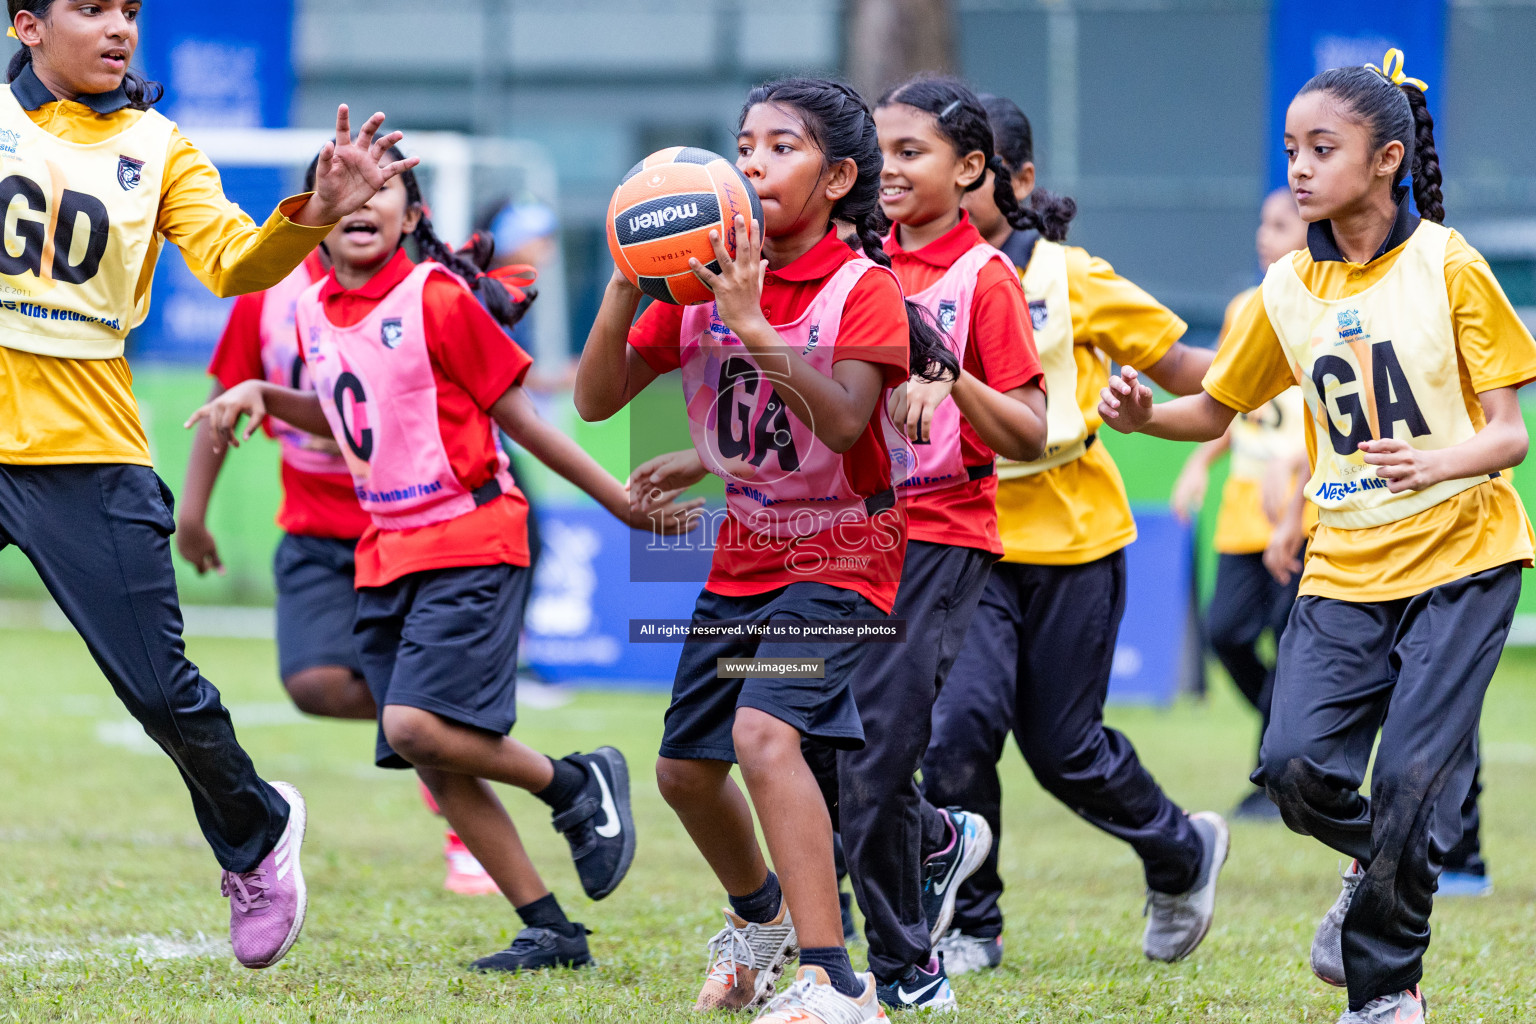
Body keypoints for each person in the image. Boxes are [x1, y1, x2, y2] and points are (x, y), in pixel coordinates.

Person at [1096, 50, 1536, 1024]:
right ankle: (1373, 862)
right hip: (1345, 564)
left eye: (1320, 148)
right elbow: (1213, 409)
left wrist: (1441, 460)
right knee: (1295, 768)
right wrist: (1139, 419)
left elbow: (1509, 432)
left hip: (1465, 554)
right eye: (1290, 148)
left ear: (1384, 160)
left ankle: (1384, 994)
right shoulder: (1285, 292)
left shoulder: (1448, 263)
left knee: (1418, 779)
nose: (1297, 166)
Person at [188, 149, 698, 973]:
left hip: (471, 538)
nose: (360, 198)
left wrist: (620, 503)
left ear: (412, 218)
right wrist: (264, 396)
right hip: (385, 551)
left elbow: (523, 423)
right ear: (314, 212)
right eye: (342, 186)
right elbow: (348, 410)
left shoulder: (436, 297)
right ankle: (550, 930)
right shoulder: (312, 307)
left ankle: (575, 784)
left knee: (416, 727)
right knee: (428, 749)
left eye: (382, 186)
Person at [0, 0, 417, 969]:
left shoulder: (160, 148)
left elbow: (234, 264)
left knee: (159, 689)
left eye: (131, 11)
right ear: (26, 25)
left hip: (83, 455)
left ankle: (257, 829)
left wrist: (314, 210)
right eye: (92, 9)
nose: (120, 28)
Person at [575, 77, 957, 1024]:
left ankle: (836, 980)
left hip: (844, 554)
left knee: (762, 734)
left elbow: (841, 424)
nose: (751, 163)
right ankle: (760, 924)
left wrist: (752, 324)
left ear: (836, 179)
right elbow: (594, 401)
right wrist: (625, 285)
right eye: (744, 144)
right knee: (682, 771)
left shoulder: (861, 287)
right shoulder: (693, 277)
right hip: (745, 552)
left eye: (780, 147)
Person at [921, 92, 1228, 975]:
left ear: (1009, 178)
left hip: (1073, 539)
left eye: (956, 164)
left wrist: (1289, 362)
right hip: (960, 540)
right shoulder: (896, 273)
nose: (926, 181)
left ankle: (1181, 853)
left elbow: (1186, 368)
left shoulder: (1071, 277)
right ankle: (973, 925)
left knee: (1064, 751)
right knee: (957, 730)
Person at [801, 73, 1048, 1013]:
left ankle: (908, 972)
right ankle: (939, 842)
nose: (891, 171)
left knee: (870, 760)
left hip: (941, 538)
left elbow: (1028, 430)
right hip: (838, 537)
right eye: (882, 153)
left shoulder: (984, 278)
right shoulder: (846, 267)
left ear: (971, 168)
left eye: (915, 152)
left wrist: (953, 378)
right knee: (799, 740)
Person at [178, 247, 503, 897]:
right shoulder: (265, 298)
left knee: (420, 705)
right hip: (315, 530)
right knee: (315, 685)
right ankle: (434, 736)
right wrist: (191, 514)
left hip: (412, 527)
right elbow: (225, 397)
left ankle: (461, 813)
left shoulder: (413, 291)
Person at [1169, 187, 1309, 820]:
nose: (1265, 233)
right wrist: (1199, 462)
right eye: (1263, 222)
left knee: (1289, 639)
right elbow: (1227, 404)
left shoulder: (1325, 307)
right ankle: (1301, 735)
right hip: (1242, 508)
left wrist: (1297, 470)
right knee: (1225, 632)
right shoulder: (1241, 309)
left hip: (1303, 507)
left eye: (1281, 224)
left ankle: (1271, 781)